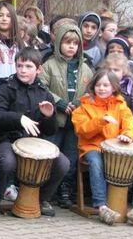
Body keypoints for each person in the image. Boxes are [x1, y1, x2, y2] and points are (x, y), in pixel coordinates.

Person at [0, 48, 69, 217]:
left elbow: (50, 131)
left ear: (38, 69)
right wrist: (19, 119)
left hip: (33, 143)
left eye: (28, 66)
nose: (22, 70)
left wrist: (49, 116)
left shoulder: (44, 92)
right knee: (7, 162)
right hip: (7, 139)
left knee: (63, 163)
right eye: (19, 65)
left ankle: (40, 199)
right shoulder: (6, 87)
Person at [72, 69, 133, 226]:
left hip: (117, 151)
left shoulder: (121, 106)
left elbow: (131, 125)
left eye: (106, 85)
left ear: (114, 87)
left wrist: (127, 135)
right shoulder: (83, 107)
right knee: (95, 162)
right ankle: (102, 207)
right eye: (98, 85)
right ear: (93, 87)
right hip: (93, 148)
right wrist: (101, 121)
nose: (101, 88)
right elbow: (82, 130)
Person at [40, 23, 93, 209]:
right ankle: (46, 191)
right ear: (58, 43)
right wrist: (60, 103)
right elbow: (42, 87)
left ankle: (64, 190)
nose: (71, 47)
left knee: (70, 157)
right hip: (56, 120)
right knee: (51, 154)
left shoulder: (86, 68)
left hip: (75, 122)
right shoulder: (49, 65)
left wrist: (79, 103)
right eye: (67, 42)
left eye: (75, 44)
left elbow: (90, 92)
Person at [104, 53, 133, 122]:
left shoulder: (131, 89)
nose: (112, 72)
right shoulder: (100, 86)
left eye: (116, 70)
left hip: (123, 126)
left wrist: (120, 122)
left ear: (123, 72)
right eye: (109, 70)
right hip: (102, 123)